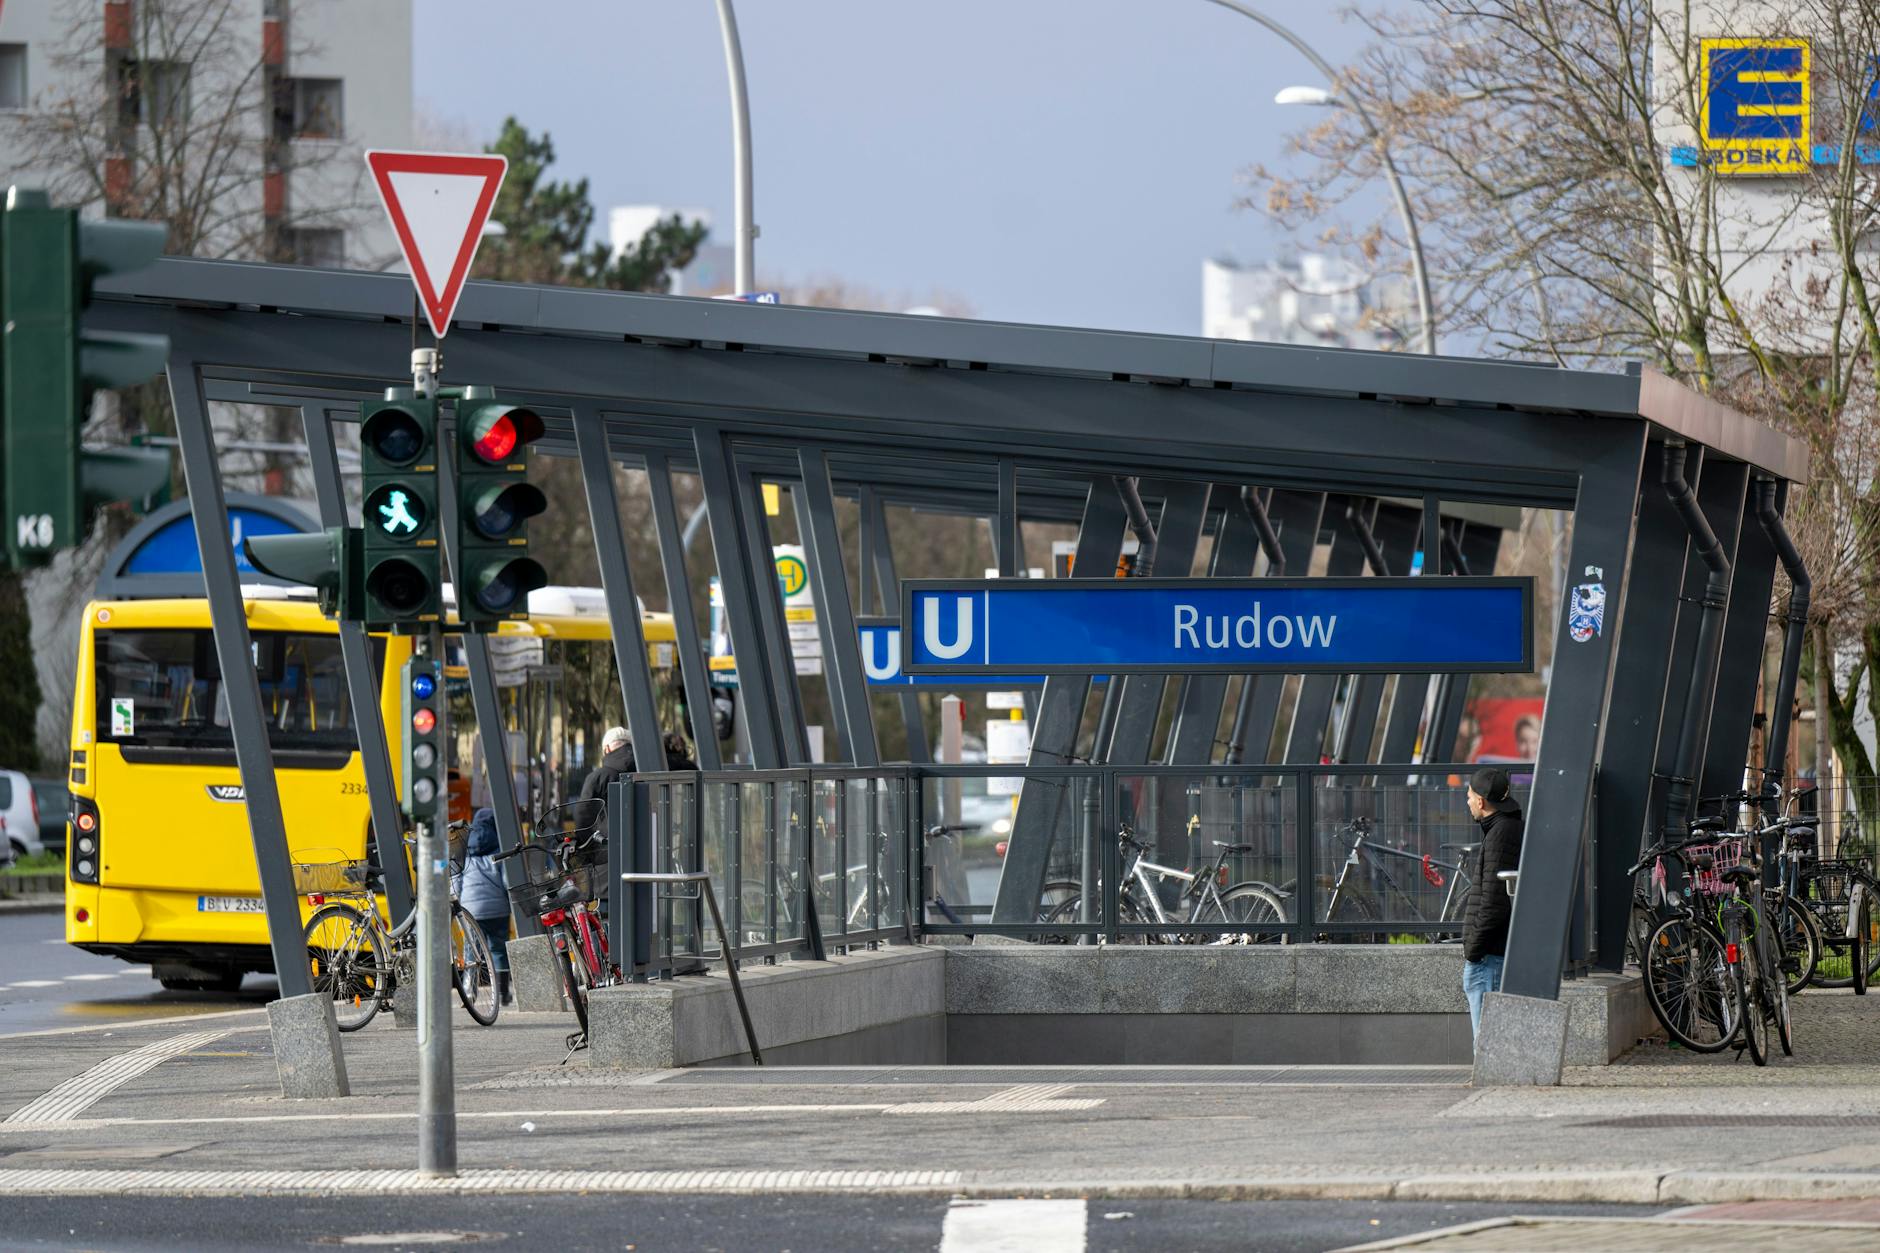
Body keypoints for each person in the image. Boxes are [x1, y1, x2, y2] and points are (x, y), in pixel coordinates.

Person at [1462, 766, 1525, 1041]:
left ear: (1481, 801)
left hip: (1489, 957)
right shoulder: (1506, 828)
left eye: (1469, 796)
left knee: (1488, 1042)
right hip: (1493, 953)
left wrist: (1473, 950)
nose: (1467, 802)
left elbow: (1494, 901)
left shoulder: (1500, 835)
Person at [452, 807, 512, 1005]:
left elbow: (457, 881)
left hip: (471, 910)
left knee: (471, 950)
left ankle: (470, 992)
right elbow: (506, 881)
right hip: (498, 910)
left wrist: (460, 902)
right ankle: (503, 993)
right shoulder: (499, 848)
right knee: (498, 950)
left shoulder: (465, 850)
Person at [576, 726, 634, 829]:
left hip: (607, 843)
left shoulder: (598, 777)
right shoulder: (646, 770)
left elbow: (583, 815)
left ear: (607, 749)